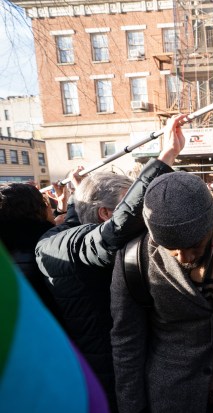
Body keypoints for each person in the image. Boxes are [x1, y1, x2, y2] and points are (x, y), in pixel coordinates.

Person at [35, 114, 187, 411]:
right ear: (106, 213)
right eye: (129, 203)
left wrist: (81, 190)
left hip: (103, 363)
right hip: (102, 372)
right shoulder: (65, 245)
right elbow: (112, 233)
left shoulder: (62, 236)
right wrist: (165, 157)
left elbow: (87, 223)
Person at [110, 171, 213, 411]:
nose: (184, 257)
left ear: (211, 219)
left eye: (194, 245)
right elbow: (127, 344)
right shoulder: (133, 259)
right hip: (173, 397)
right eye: (172, 249)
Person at [0, 182, 65, 326]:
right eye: (45, 203)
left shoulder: (6, 247)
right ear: (37, 209)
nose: (49, 207)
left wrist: (61, 209)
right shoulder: (49, 242)